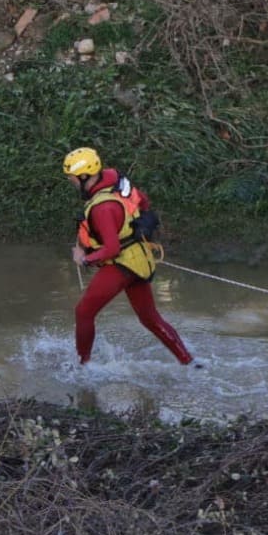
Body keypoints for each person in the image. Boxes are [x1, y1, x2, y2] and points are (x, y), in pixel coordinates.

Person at [63, 146, 197, 368]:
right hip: (139, 259)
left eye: (73, 179)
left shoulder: (102, 207)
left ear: (84, 176)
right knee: (149, 318)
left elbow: (112, 249)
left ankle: (82, 366)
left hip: (122, 264)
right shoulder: (116, 186)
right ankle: (190, 362)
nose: (72, 183)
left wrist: (84, 259)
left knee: (83, 312)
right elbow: (143, 204)